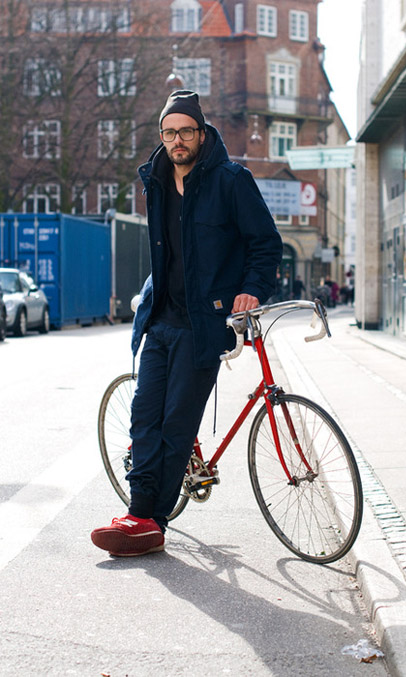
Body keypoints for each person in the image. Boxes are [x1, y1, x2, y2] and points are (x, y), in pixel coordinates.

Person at [91, 90, 282, 557]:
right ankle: (139, 513)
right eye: (169, 132)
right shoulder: (155, 180)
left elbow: (266, 245)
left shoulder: (231, 181)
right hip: (160, 318)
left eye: (186, 131)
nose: (178, 140)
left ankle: (150, 521)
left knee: (177, 421)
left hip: (205, 323)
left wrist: (253, 289)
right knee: (144, 416)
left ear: (201, 133)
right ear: (162, 136)